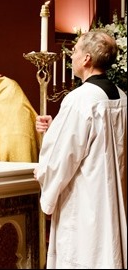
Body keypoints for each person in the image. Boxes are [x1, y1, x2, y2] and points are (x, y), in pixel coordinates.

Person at [34, 31, 127, 268]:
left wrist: (48, 193)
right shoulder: (122, 97)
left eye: (74, 52)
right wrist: (57, 128)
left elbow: (64, 157)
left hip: (85, 203)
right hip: (114, 199)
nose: (71, 57)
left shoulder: (81, 99)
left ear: (86, 59)